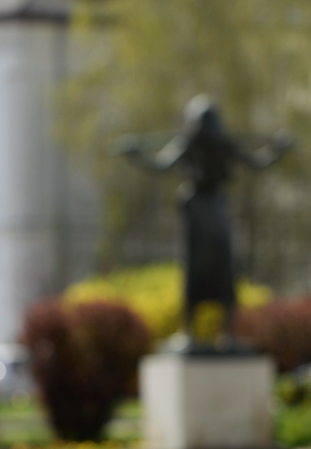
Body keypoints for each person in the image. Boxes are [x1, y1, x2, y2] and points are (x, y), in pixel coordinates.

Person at [116, 96, 290, 342]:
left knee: (224, 269)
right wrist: (135, 155)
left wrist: (278, 150)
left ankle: (228, 331)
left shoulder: (223, 146)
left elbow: (258, 162)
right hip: (195, 210)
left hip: (216, 210)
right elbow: (160, 165)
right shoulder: (186, 145)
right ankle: (190, 329)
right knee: (194, 271)